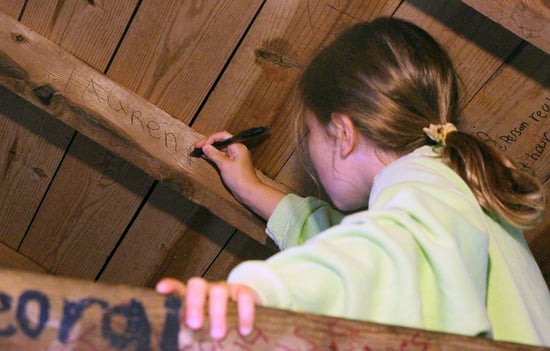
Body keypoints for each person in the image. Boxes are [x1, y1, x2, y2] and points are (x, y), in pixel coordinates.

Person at [156, 17, 550, 346]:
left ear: (342, 134)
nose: (307, 148)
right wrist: (250, 186)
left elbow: (381, 254)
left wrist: (260, 295)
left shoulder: (423, 184)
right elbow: (363, 242)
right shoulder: (446, 185)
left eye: (309, 131)